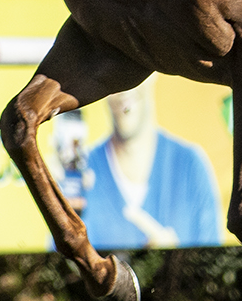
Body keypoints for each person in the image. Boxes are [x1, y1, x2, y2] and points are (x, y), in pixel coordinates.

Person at [80, 78, 222, 250]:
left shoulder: (191, 165)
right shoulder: (79, 174)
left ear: (153, 75)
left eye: (134, 69)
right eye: (112, 73)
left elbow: (213, 257)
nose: (123, 89)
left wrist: (172, 258)